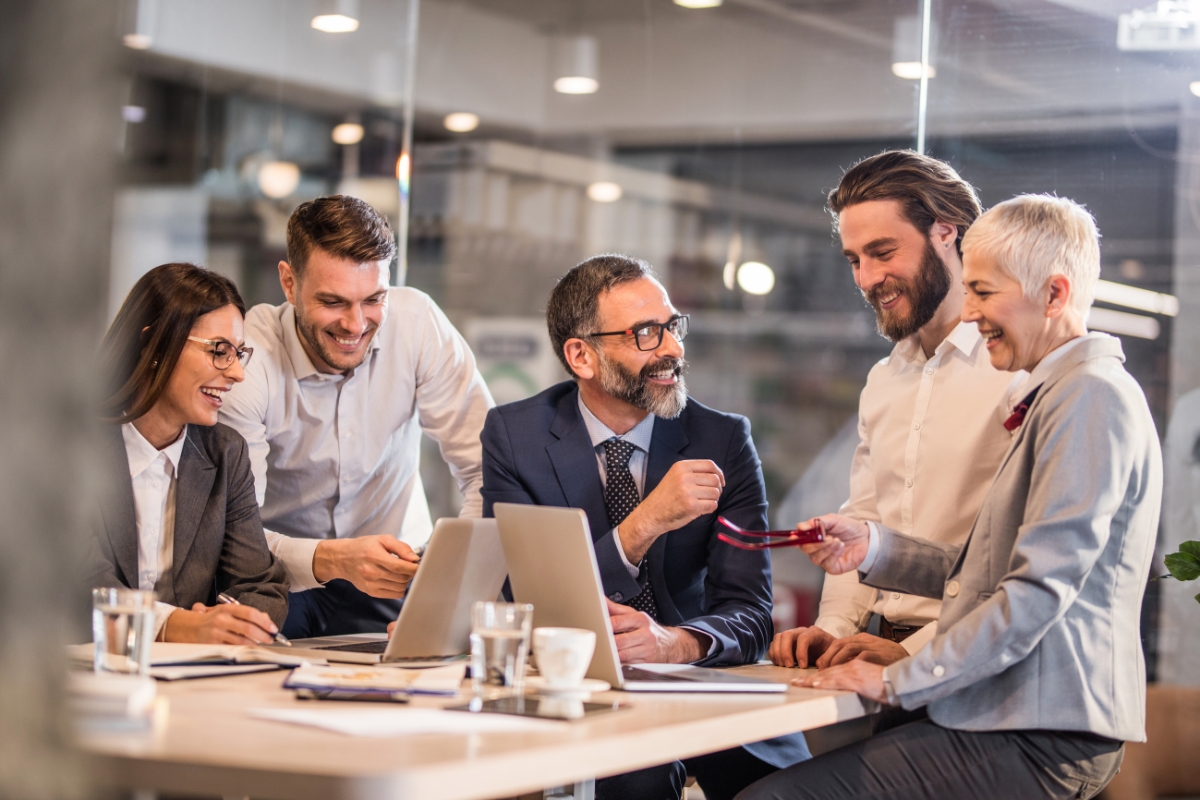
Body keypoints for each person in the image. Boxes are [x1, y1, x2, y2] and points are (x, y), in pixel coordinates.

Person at [738, 195, 1161, 800]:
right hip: (1008, 714)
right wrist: (874, 549)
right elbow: (985, 571)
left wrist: (898, 679)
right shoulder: (1058, 394)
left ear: (1055, 295)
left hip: (1039, 728)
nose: (970, 312)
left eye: (984, 293)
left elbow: (1038, 591)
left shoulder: (1090, 397)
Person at [481, 254, 810, 800]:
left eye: (672, 327)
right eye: (645, 334)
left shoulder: (722, 439)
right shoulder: (515, 436)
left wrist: (675, 644)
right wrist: (645, 523)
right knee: (633, 776)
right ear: (581, 356)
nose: (673, 349)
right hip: (577, 687)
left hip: (703, 689)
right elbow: (523, 598)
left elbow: (752, 614)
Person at [769, 151, 1023, 684]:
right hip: (875, 652)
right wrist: (834, 628)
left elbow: (1023, 565)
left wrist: (916, 655)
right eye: (855, 259)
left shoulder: (1016, 371)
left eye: (883, 252)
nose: (867, 278)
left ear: (946, 232)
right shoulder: (884, 379)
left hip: (970, 663)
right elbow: (864, 519)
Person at [219, 195, 493, 638]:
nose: (355, 324)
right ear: (289, 284)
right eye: (333, 302)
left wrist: (447, 583)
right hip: (279, 582)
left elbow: (488, 470)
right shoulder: (247, 361)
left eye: (373, 300)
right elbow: (233, 532)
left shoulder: (418, 322)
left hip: (401, 582)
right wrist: (332, 559)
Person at [86, 263, 288, 644]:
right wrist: (178, 626)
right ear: (154, 344)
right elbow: (74, 589)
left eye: (238, 353)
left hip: (188, 677)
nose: (237, 374)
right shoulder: (69, 448)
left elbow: (262, 586)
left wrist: (233, 623)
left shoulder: (226, 453)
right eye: (219, 351)